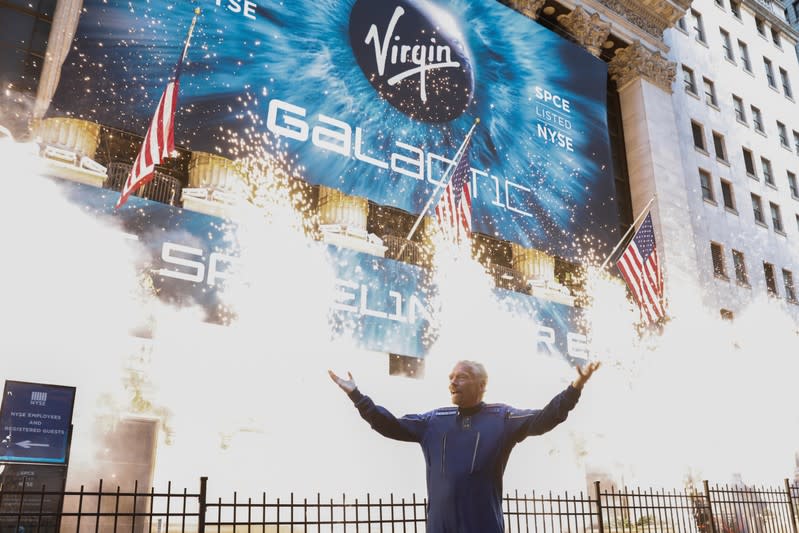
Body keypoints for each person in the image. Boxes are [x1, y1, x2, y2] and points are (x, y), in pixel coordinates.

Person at [328, 359, 599, 533]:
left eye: (462, 376)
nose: (452, 381)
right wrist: (356, 395)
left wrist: (574, 387)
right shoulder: (433, 420)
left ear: (481, 385)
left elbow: (544, 418)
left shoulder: (502, 418)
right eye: (451, 376)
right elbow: (389, 424)